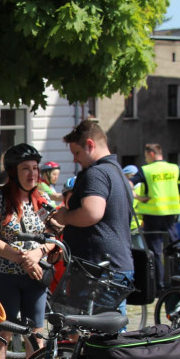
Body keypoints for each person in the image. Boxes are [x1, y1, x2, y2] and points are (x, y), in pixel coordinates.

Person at [48, 120, 134, 309]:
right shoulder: (116, 171)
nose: (75, 160)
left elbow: (91, 213)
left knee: (95, 332)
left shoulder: (97, 173)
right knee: (109, 331)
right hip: (112, 266)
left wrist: (64, 216)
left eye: (77, 153)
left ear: (90, 145)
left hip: (98, 271)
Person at [0, 143, 56, 357]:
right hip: (4, 275)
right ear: (14, 171)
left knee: (35, 334)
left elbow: (53, 236)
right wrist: (22, 259)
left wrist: (38, 253)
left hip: (36, 275)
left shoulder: (42, 199)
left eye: (35, 168)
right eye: (26, 168)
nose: (32, 173)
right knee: (2, 333)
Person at [130, 144, 180, 289]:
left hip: (152, 215)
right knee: (173, 250)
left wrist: (139, 197)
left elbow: (128, 184)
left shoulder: (147, 170)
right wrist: (178, 198)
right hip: (170, 215)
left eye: (146, 155)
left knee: (154, 253)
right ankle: (177, 280)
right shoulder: (173, 168)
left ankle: (158, 284)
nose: (146, 159)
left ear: (151, 154)